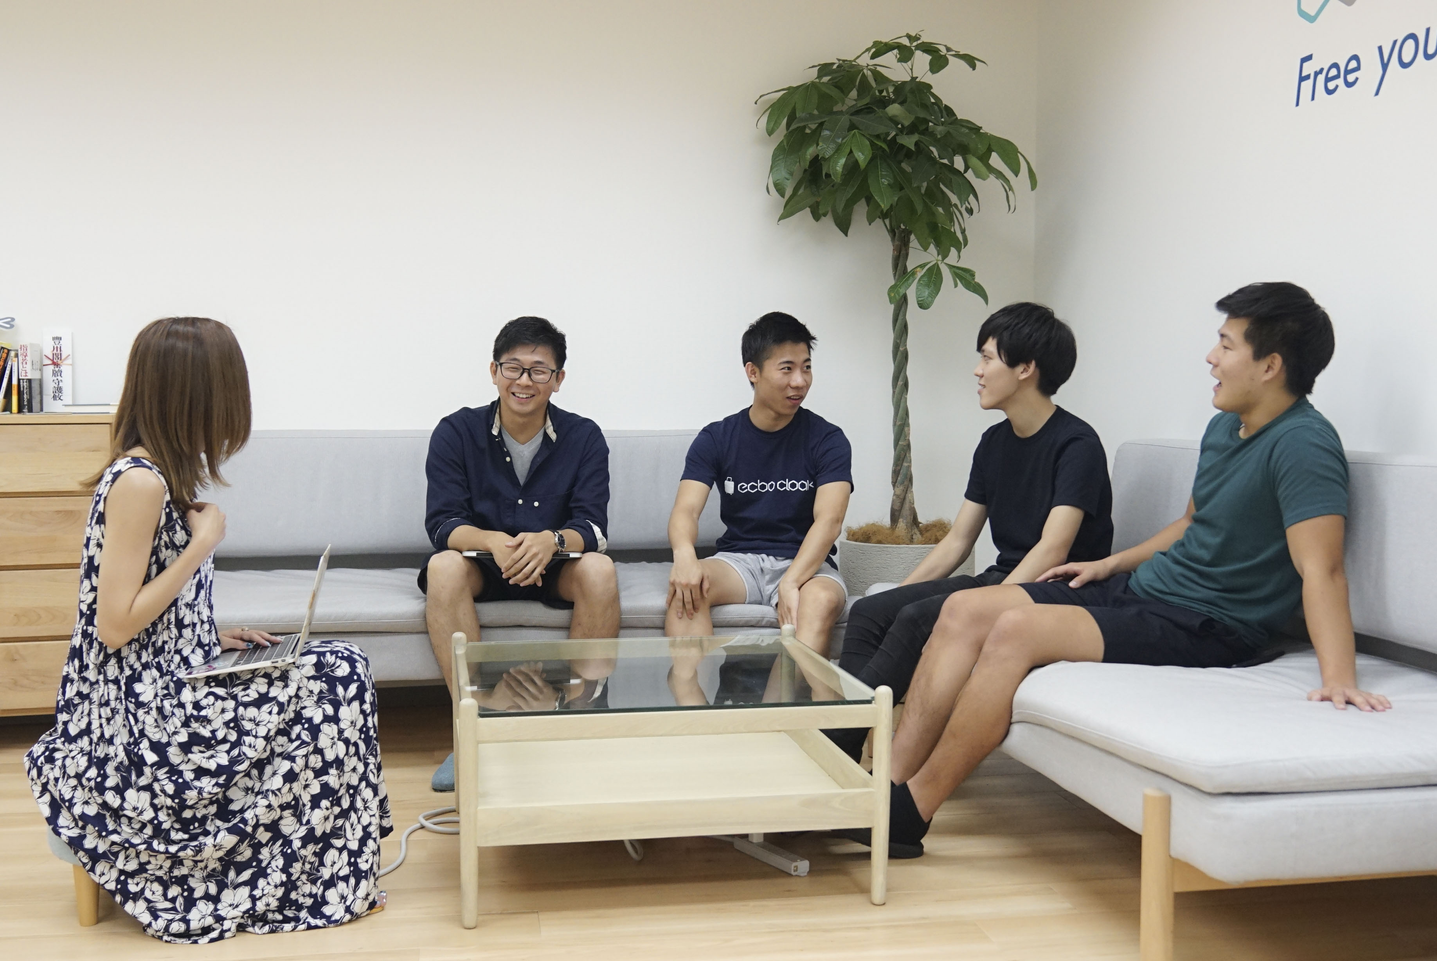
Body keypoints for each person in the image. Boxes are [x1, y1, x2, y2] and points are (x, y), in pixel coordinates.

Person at [848, 282, 1391, 859]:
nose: (1211, 357)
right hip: (1145, 592)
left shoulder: (1304, 444)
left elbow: (1322, 569)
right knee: (962, 609)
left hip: (1209, 623)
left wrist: (1340, 677)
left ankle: (911, 812)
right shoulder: (1225, 428)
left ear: (1270, 365)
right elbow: (1192, 522)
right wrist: (1110, 562)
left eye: (1227, 345)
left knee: (1014, 629)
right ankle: (881, 788)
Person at [23, 317, 392, 943]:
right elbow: (112, 626)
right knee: (338, 677)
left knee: (336, 664)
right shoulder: (140, 483)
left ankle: (317, 872)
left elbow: (140, 605)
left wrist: (206, 633)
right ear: (194, 396)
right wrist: (203, 544)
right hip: (136, 715)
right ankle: (310, 879)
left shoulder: (159, 474)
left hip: (166, 674)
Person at [828, 303, 1112, 760]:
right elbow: (959, 540)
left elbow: (1053, 549)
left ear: (1025, 368)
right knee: (871, 611)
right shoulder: (994, 442)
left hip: (1060, 589)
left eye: (987, 358)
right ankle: (846, 745)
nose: (977, 371)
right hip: (1007, 578)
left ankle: (834, 746)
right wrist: (900, 594)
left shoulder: (1077, 444)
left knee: (918, 618)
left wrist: (986, 604)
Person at [421, 316, 619, 789]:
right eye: (513, 367)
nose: (524, 381)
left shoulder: (584, 436)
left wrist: (551, 541)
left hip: (555, 565)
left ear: (558, 379)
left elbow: (594, 528)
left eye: (538, 370)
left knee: (600, 570)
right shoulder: (455, 431)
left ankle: (576, 719)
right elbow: (442, 525)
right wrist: (492, 541)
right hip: (483, 564)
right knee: (443, 567)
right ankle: (474, 725)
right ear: (494, 371)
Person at [665, 312, 852, 704]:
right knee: (689, 587)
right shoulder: (718, 437)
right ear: (753, 372)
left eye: (806, 368)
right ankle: (694, 715)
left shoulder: (827, 439)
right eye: (787, 369)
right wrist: (684, 557)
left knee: (819, 600)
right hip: (740, 562)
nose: (800, 381)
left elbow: (829, 520)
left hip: (808, 564)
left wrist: (792, 580)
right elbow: (686, 511)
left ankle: (776, 723)